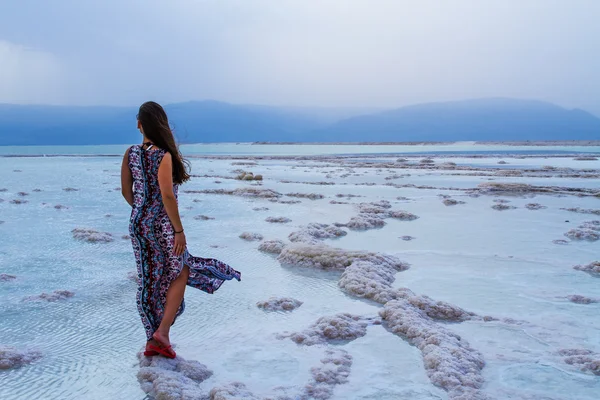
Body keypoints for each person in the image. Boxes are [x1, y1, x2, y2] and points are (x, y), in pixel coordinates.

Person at [120, 101, 241, 359]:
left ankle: (154, 337)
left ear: (140, 124)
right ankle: (161, 335)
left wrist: (142, 211)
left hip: (137, 224)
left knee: (150, 279)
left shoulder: (130, 153)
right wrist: (178, 230)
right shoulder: (162, 155)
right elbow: (167, 195)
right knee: (180, 270)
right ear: (161, 124)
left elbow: (126, 192)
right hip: (162, 225)